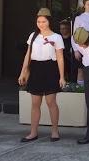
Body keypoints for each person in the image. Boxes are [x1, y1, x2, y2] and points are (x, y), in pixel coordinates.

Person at [18, 8, 66, 143]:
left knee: (51, 102)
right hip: (36, 68)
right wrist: (23, 72)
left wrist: (62, 77)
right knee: (35, 103)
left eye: (44, 21)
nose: (41, 24)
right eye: (39, 21)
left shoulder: (56, 37)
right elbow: (27, 55)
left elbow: (60, 58)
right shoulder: (33, 35)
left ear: (49, 21)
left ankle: (55, 131)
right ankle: (33, 132)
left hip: (50, 68)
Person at [72, 0, 89, 84]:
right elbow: (74, 35)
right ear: (84, 5)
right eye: (88, 4)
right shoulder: (79, 18)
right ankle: (80, 90)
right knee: (81, 70)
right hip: (82, 46)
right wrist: (76, 50)